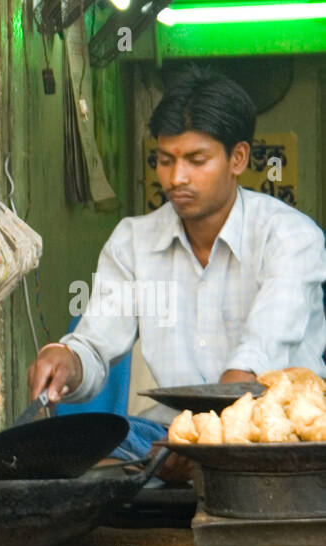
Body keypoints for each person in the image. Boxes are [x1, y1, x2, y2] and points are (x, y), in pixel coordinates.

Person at [28, 65, 326, 477]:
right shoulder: (133, 241)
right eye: (164, 160)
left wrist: (207, 442)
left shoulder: (291, 236)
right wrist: (67, 360)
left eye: (196, 160)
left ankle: (165, 467)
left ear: (238, 158)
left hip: (272, 437)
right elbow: (96, 345)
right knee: (65, 448)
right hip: (173, 433)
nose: (176, 177)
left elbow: (260, 352)